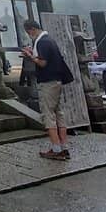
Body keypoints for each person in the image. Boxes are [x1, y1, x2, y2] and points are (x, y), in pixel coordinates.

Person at [21, 19, 74, 161]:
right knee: (58, 114)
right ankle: (64, 147)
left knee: (48, 115)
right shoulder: (49, 40)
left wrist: (30, 56)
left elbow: (43, 62)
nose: (29, 35)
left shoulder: (42, 41)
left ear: (31, 29)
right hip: (57, 80)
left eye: (28, 32)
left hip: (48, 82)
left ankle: (56, 149)